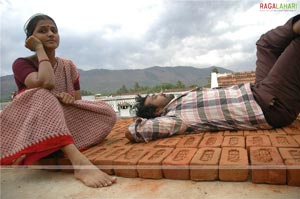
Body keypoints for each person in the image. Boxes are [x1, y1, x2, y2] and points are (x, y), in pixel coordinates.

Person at [126, 14, 300, 143]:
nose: (161, 92)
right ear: (156, 112)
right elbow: (133, 131)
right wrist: (145, 120)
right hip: (268, 106)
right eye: (155, 97)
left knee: (265, 44)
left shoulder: (179, 102)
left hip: (257, 91)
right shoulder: (173, 119)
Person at [0, 14, 117, 188]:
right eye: (43, 31)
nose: (50, 34)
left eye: (54, 30)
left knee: (107, 111)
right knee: (42, 94)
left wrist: (69, 100)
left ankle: (50, 146)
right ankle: (79, 163)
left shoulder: (68, 66)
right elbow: (45, 83)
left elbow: (78, 104)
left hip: (62, 121)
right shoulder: (21, 63)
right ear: (31, 39)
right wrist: (40, 50)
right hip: (34, 124)